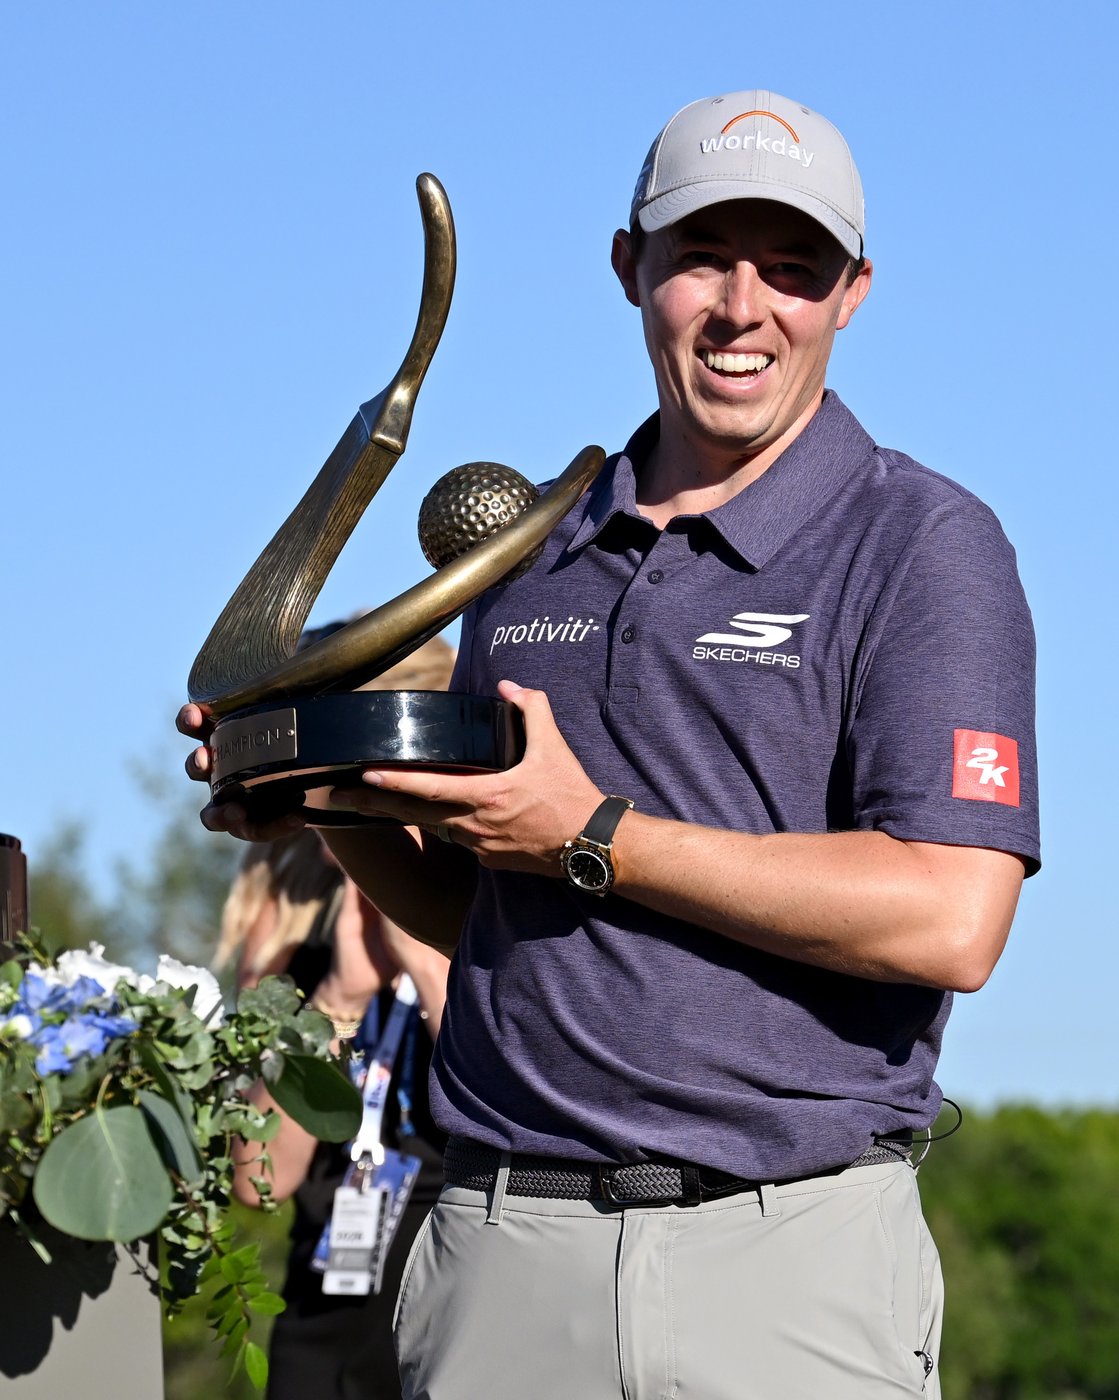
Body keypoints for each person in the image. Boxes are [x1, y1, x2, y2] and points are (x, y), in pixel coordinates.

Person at [181, 89, 1040, 1400]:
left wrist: (592, 832)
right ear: (629, 266)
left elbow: (950, 919)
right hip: (501, 1252)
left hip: (787, 1252)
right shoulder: (532, 553)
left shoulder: (922, 543)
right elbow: (500, 916)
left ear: (851, 294)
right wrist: (324, 802)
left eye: (792, 267)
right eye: (703, 256)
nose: (744, 307)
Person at [222, 636, 454, 1400]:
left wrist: (426, 961)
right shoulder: (293, 934)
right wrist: (337, 1003)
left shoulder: (487, 909)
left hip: (463, 1300)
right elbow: (258, 1179)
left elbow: (524, 1111)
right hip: (321, 1323)